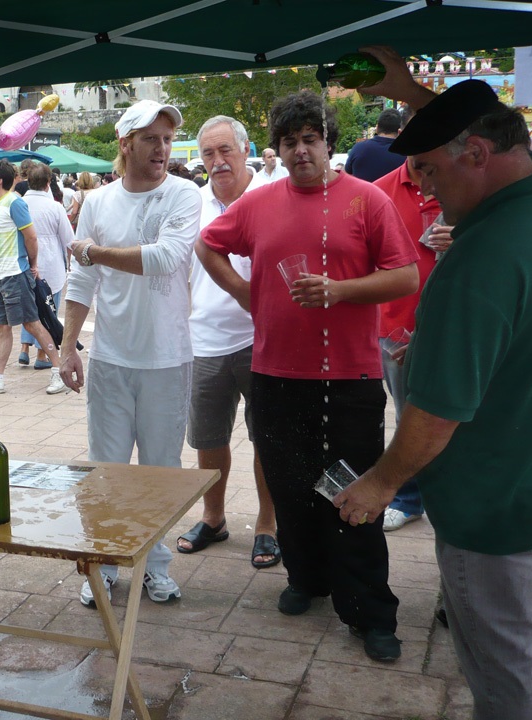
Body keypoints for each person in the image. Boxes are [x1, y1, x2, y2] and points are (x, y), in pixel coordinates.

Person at [333, 46, 532, 720]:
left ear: (475, 153)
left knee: (501, 676)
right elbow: (501, 130)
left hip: (489, 508)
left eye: (431, 171)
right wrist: (414, 93)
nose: (428, 189)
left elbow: (432, 418)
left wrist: (378, 484)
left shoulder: (478, 260)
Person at [196, 90, 418, 662]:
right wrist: (247, 293)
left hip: (350, 377)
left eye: (310, 139)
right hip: (274, 373)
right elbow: (207, 244)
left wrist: (341, 291)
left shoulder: (366, 201)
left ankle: (369, 610)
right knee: (293, 486)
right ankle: (307, 578)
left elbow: (404, 277)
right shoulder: (257, 204)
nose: (300, 151)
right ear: (277, 149)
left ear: (328, 144)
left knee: (353, 493)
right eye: (289, 141)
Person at [59, 100, 201, 606]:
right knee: (107, 469)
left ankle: (154, 565)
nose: (162, 148)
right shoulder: (97, 202)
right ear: (126, 144)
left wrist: (93, 250)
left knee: (160, 470)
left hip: (167, 358)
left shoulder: (185, 193)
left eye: (166, 139)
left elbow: (165, 259)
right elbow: (81, 279)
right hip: (111, 358)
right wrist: (68, 347)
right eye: (151, 139)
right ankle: (106, 564)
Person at [176, 115, 280, 569]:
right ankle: (213, 518)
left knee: (268, 438)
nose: (217, 162)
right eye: (208, 154)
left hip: (265, 340)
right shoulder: (191, 203)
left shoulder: (274, 195)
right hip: (205, 340)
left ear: (245, 149)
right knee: (208, 438)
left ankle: (267, 525)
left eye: (225, 151)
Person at [371, 151, 446, 532]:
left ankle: (448, 496)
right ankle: (410, 499)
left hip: (451, 321)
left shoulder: (455, 186)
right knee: (407, 416)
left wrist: (462, 238)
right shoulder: (378, 193)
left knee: (453, 413)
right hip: (396, 322)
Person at [0, 159, 67, 396]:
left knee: (32, 323)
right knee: (2, 327)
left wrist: (32, 265)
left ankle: (59, 370)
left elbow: (31, 237)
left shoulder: (14, 203)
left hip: (15, 274)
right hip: (1, 276)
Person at [18, 163, 74, 370]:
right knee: (49, 308)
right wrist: (70, 263)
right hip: (50, 262)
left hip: (23, 260)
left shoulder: (19, 203)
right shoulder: (55, 207)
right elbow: (69, 239)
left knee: (29, 308)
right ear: (48, 183)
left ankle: (24, 348)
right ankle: (42, 354)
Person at [344, 109, 405, 182]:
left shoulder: (358, 148)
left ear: (377, 128)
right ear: (400, 130)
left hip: (363, 193)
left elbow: (347, 174)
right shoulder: (407, 155)